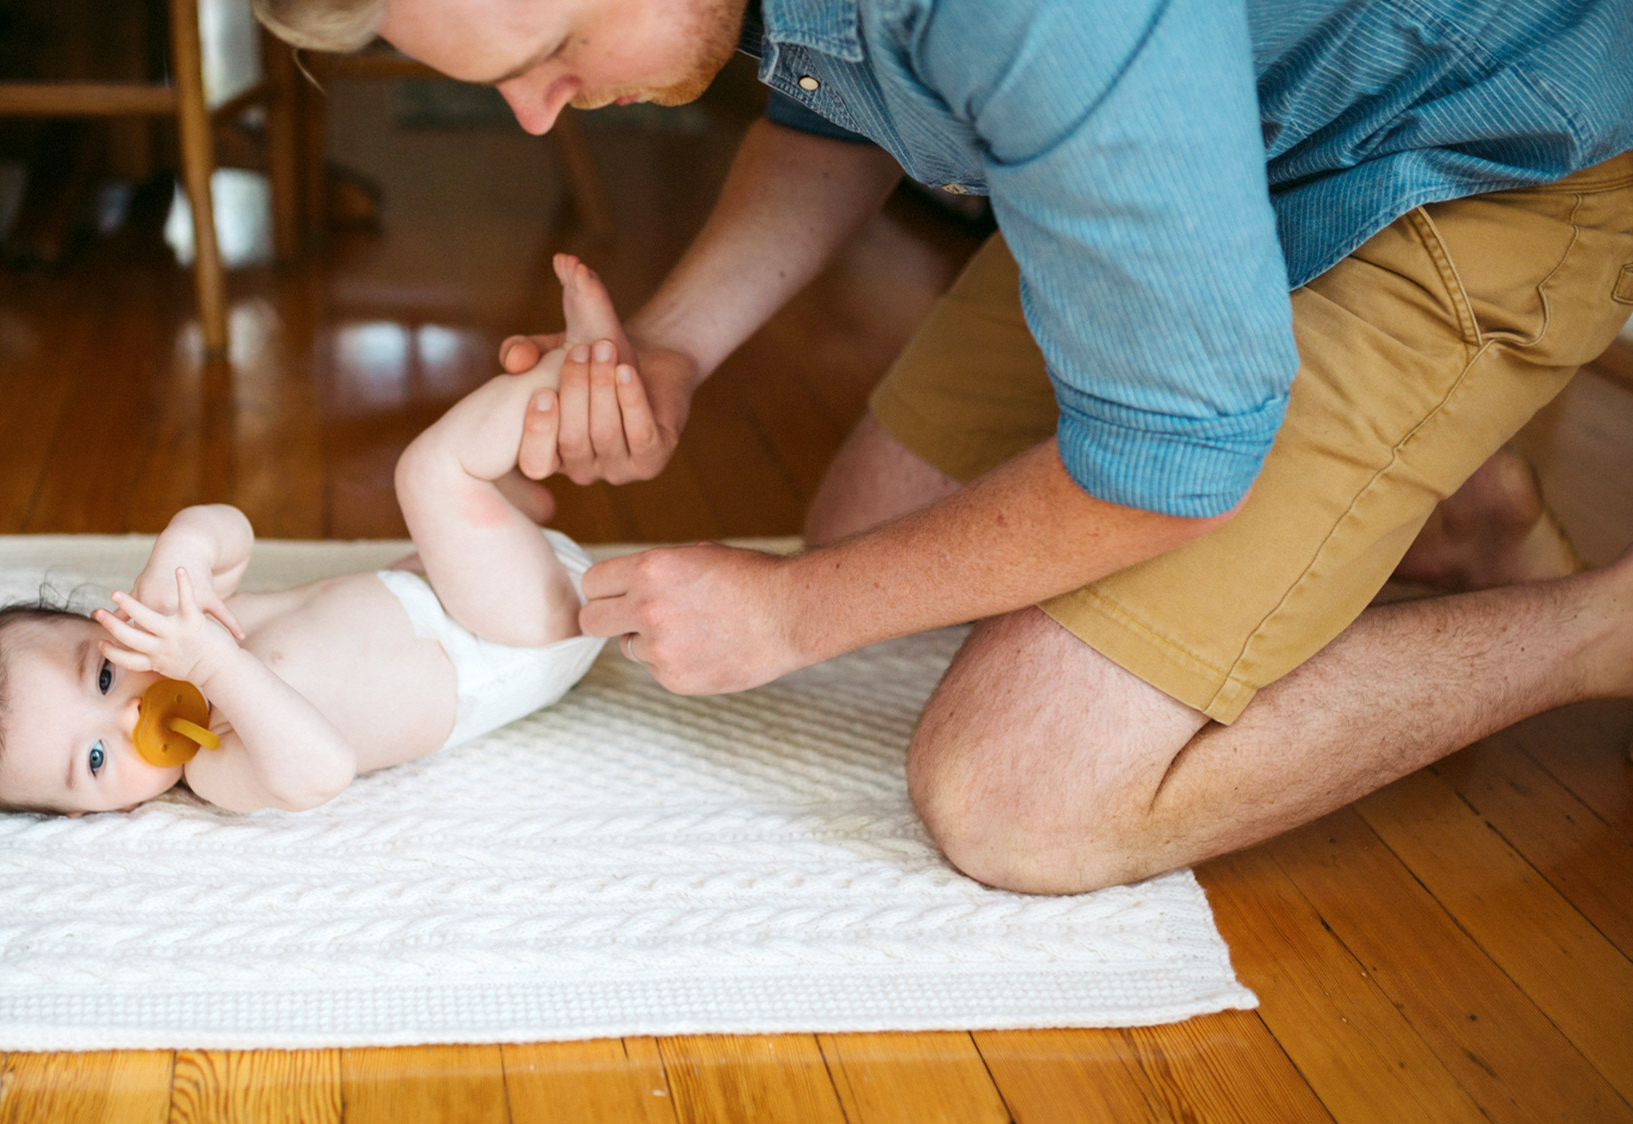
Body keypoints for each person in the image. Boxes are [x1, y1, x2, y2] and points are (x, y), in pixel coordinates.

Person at [255, 0, 1633, 890]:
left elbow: (1176, 451)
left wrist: (793, 610)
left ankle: (1596, 630)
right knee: (882, 551)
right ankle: (1450, 501)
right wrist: (676, 344)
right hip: (1232, 130)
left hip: (1467, 158)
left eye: (547, 56)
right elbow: (834, 95)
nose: (537, 113)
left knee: (1018, 801)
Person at [0, 256, 627, 814]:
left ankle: (512, 498)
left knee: (434, 506)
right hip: (516, 638)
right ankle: (581, 371)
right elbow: (323, 770)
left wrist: (183, 549)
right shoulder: (220, 763)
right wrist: (217, 665)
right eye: (96, 761)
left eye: (102, 674)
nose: (129, 714)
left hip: (458, 584)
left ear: (103, 619)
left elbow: (235, 535)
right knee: (429, 474)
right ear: (88, 813)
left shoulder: (177, 625)